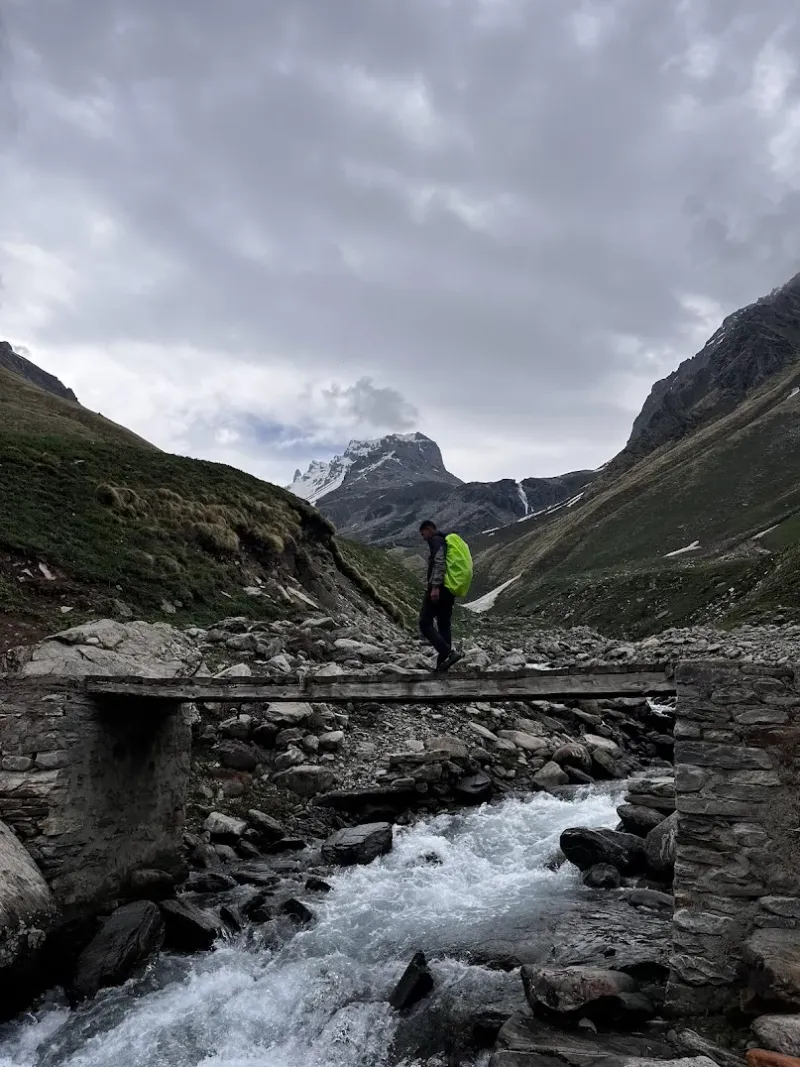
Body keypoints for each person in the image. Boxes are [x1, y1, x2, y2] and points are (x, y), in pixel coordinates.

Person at [419, 520, 463, 672]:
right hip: (449, 590)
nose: (423, 537)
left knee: (424, 622)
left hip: (439, 588)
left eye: (423, 533)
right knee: (444, 624)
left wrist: (435, 587)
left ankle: (446, 652)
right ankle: (443, 665)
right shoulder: (445, 542)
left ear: (429, 529)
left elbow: (439, 563)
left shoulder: (436, 540)